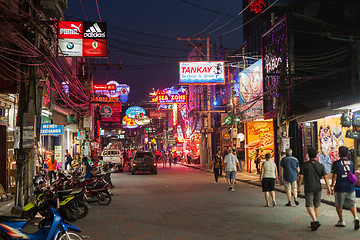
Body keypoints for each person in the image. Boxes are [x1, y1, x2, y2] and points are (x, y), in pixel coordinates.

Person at [297, 148, 331, 231]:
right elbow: (325, 177)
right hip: (318, 187)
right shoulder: (320, 165)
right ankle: (314, 222)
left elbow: (301, 176)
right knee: (317, 205)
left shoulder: (305, 165)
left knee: (309, 205)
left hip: (309, 187)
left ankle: (315, 220)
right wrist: (329, 188)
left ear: (308, 155)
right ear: (316, 155)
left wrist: (298, 187)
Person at [330, 146, 359, 230]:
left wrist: (332, 186)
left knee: (339, 205)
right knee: (352, 204)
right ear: (347, 154)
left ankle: (341, 221)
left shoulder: (336, 163)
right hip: (350, 187)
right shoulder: (351, 163)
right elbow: (352, 174)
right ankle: (356, 217)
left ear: (339, 153)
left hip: (340, 187)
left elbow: (334, 176)